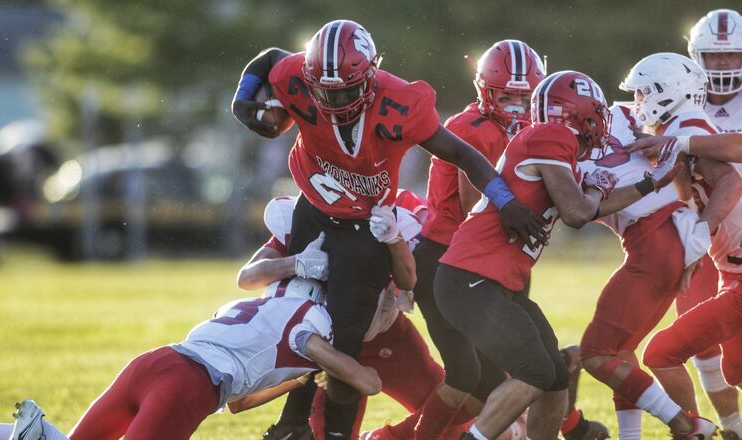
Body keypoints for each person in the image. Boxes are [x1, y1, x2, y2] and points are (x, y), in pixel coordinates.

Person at [231, 19, 548, 440]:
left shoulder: (401, 101)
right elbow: (270, 59)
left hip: (365, 227)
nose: (337, 99)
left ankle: (336, 435)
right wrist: (243, 100)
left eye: (347, 89)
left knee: (344, 340)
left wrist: (505, 203)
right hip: (313, 207)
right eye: (328, 90)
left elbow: (461, 154)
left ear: (370, 75)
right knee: (295, 318)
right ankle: (291, 428)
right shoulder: (296, 75)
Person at [432, 70, 687, 440]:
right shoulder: (551, 136)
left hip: (493, 283)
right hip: (471, 281)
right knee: (534, 372)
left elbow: (589, 204)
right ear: (581, 115)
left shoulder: (551, 144)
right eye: (596, 114)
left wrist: (651, 182)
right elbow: (579, 213)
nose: (601, 123)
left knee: (553, 376)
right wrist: (599, 191)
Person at [0, 277, 381, 440]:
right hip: (186, 386)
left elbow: (237, 403)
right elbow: (366, 383)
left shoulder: (253, 305)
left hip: (153, 363)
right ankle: (35, 433)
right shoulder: (309, 323)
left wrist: (297, 380)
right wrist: (345, 365)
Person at [579, 52, 741, 440]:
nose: (636, 103)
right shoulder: (672, 127)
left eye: (641, 94)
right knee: (630, 352)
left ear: (666, 93)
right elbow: (682, 180)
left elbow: (731, 181)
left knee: (613, 352)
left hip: (710, 253)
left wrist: (701, 232)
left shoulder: (689, 128)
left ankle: (690, 426)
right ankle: (648, 434)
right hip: (698, 252)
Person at [684, 12, 742, 439]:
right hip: (699, 228)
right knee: (701, 341)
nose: (723, 65)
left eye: (731, 56)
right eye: (714, 56)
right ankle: (732, 429)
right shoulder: (680, 92)